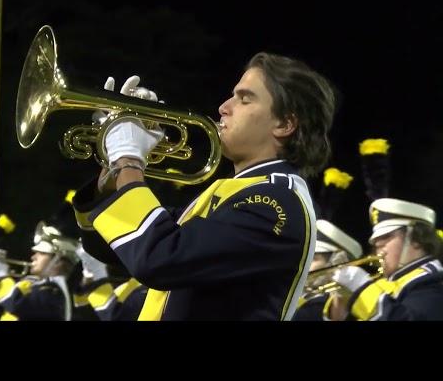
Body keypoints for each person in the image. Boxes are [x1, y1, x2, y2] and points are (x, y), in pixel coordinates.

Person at [73, 52, 336, 320]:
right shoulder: (235, 192)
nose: (224, 106)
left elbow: (159, 259)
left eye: (244, 99)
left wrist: (127, 158)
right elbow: (110, 247)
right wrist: (112, 169)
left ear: (284, 124)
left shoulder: (276, 202)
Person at [325, 138, 443, 321]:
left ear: (417, 240)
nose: (378, 244)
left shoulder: (433, 282)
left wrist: (361, 287)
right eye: (376, 239)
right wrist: (340, 302)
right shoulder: (385, 283)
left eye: (387, 236)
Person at [293, 167, 362, 321]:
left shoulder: (323, 308)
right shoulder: (296, 298)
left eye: (314, 259)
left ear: (337, 263)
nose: (305, 266)